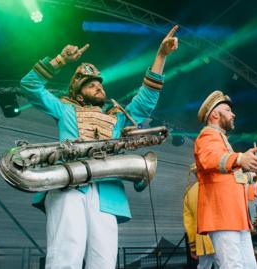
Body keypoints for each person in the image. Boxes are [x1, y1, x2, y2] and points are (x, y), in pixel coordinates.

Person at [19, 26, 179, 269]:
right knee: (66, 255)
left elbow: (146, 101)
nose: (99, 87)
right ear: (78, 92)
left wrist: (161, 56)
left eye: (100, 84)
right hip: (69, 185)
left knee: (104, 261)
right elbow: (30, 85)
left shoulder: (117, 116)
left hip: (107, 191)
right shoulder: (65, 108)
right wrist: (60, 60)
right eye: (90, 85)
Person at [194, 90, 257, 269]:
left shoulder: (222, 140)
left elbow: (229, 183)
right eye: (228, 110)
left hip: (235, 217)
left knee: (249, 266)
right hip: (223, 216)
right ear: (215, 114)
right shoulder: (207, 135)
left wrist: (252, 189)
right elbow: (209, 159)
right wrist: (239, 159)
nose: (233, 113)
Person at [183, 164, 217, 269]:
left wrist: (193, 246)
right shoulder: (215, 185)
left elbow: (189, 223)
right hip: (220, 233)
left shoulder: (189, 193)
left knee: (203, 267)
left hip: (202, 240)